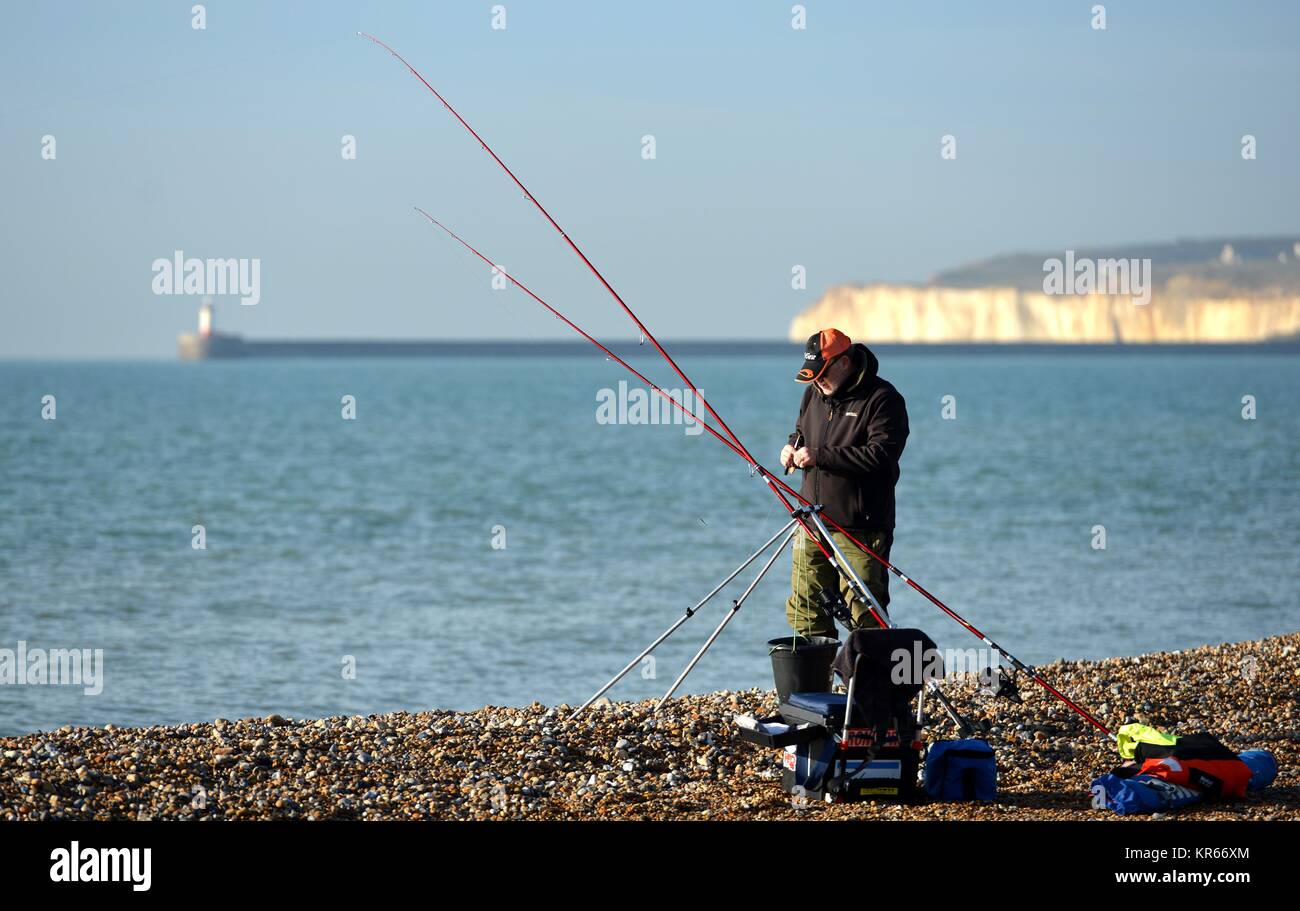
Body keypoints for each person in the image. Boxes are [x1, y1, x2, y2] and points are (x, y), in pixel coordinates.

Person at [780, 328, 909, 637]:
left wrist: (818, 456)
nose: (817, 381)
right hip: (812, 521)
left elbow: (880, 456)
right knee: (806, 610)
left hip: (860, 527)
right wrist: (792, 447)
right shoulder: (813, 392)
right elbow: (801, 430)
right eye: (812, 375)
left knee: (864, 613)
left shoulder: (883, 399)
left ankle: (867, 685)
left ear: (844, 362)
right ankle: (815, 685)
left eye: (822, 373)